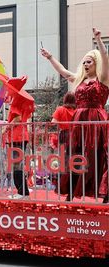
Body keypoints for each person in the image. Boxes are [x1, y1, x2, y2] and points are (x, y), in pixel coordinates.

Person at [41, 27, 109, 203]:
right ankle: (71, 190)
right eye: (84, 62)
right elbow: (63, 72)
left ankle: (103, 192)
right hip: (79, 121)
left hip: (96, 119)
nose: (86, 65)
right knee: (75, 154)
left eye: (89, 62)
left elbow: (105, 58)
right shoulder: (79, 79)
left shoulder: (103, 79)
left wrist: (99, 40)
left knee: (98, 154)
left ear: (96, 64)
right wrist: (50, 57)